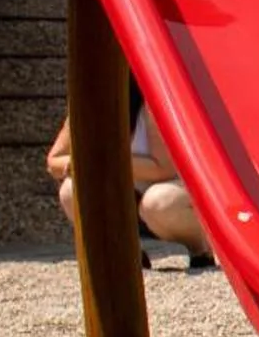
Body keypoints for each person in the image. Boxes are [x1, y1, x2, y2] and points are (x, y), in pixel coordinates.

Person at [46, 88, 215, 270]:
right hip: (120, 190)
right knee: (71, 190)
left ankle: (200, 248)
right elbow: (54, 161)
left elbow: (162, 168)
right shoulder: (85, 105)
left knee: (159, 201)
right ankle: (125, 251)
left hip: (168, 188)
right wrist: (78, 163)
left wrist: (102, 162)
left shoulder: (150, 103)